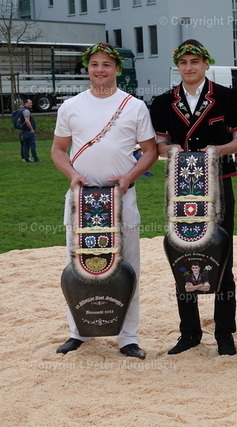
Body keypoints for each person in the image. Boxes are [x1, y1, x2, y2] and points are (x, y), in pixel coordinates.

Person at [51, 42, 157, 359]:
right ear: (88, 68)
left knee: (128, 267)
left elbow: (150, 151)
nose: (100, 70)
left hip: (121, 198)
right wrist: (72, 174)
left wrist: (129, 176)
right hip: (81, 200)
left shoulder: (134, 106)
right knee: (79, 266)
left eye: (106, 64)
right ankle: (79, 331)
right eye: (95, 64)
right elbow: (58, 149)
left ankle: (128, 337)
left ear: (117, 69)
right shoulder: (70, 106)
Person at [150, 39, 237, 357]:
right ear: (177, 66)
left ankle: (224, 333)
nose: (189, 67)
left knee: (223, 256)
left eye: (195, 61)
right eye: (183, 62)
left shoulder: (227, 97)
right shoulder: (163, 102)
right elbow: (159, 144)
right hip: (181, 188)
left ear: (206, 64)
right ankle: (190, 332)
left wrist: (218, 150)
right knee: (183, 255)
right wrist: (169, 150)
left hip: (219, 184)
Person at [20, 99, 40, 163]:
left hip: (23, 131)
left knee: (25, 145)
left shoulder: (22, 110)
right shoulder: (26, 111)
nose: (31, 104)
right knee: (33, 145)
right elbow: (27, 121)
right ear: (25, 103)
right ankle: (35, 158)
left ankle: (26, 158)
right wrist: (31, 129)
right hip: (28, 131)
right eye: (30, 103)